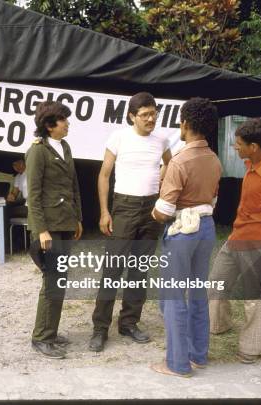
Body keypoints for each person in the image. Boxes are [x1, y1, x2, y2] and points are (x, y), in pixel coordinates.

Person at [89, 92, 172, 352]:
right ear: (132, 116)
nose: (151, 118)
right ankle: (100, 328)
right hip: (124, 207)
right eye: (145, 114)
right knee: (113, 270)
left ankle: (129, 323)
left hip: (151, 210)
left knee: (140, 269)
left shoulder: (162, 139)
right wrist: (105, 211)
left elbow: (171, 164)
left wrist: (161, 179)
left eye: (154, 113)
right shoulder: (119, 137)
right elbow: (104, 175)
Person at [150, 97, 222, 377]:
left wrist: (153, 212)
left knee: (173, 297)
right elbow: (214, 200)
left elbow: (165, 210)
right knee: (197, 293)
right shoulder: (214, 159)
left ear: (187, 124)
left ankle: (177, 364)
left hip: (182, 230)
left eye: (180, 120)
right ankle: (198, 356)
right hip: (206, 228)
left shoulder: (179, 161)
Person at [208, 118, 261, 364]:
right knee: (216, 283)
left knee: (253, 297)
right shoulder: (250, 163)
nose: (236, 147)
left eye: (239, 144)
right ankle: (219, 324)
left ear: (253, 147)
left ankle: (253, 347)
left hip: (259, 243)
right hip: (236, 237)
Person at [27, 101, 83, 359]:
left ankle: (50, 331)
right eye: (63, 120)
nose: (68, 123)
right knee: (52, 280)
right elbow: (34, 196)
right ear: (50, 125)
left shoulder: (65, 146)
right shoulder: (38, 151)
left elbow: (73, 187)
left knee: (59, 280)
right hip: (49, 227)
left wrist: (78, 219)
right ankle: (41, 337)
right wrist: (41, 231)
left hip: (65, 223)